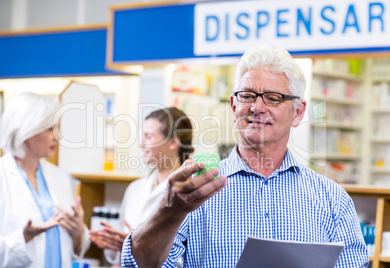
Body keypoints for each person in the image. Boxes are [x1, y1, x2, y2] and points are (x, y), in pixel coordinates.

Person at [120, 45, 369, 267]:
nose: (257, 108)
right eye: (247, 95)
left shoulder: (332, 199)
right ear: (233, 106)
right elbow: (138, 265)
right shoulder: (193, 192)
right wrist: (168, 211)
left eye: (273, 98)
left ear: (298, 112)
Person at [0, 92, 90, 267]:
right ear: (27, 130)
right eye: (50, 129)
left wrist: (78, 232)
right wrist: (24, 237)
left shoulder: (59, 177)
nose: (57, 137)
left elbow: (71, 249)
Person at [89, 107, 194, 265]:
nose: (141, 143)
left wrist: (139, 246)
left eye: (149, 137)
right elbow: (117, 258)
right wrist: (112, 242)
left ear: (173, 142)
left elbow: (190, 258)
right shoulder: (135, 188)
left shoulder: (191, 191)